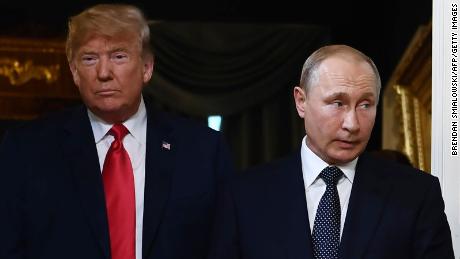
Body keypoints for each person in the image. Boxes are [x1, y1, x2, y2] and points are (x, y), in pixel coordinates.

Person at [0, 4, 234, 259]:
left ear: (147, 68)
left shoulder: (202, 151)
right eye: (89, 58)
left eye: (118, 56)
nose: (103, 73)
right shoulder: (28, 150)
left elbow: (222, 247)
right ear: (74, 71)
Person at [208, 45, 454, 259]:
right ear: (301, 101)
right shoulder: (243, 197)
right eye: (338, 103)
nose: (352, 124)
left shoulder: (416, 195)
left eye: (365, 105)